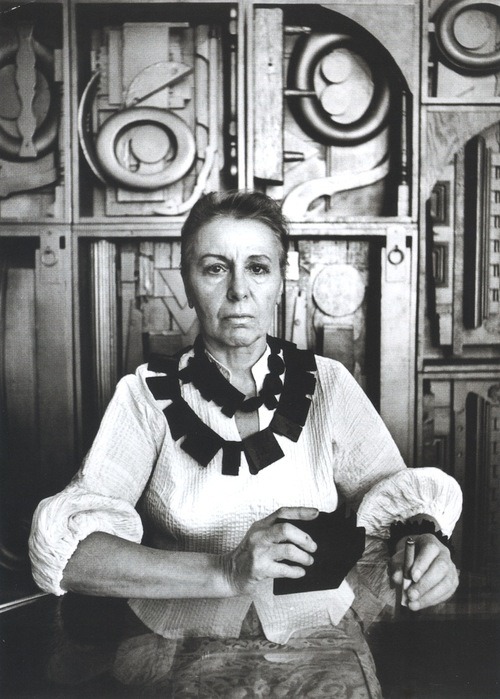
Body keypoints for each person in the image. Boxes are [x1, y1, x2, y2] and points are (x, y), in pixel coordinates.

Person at [29, 190, 461, 695]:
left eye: (257, 268)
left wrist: (425, 546)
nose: (238, 291)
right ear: (187, 282)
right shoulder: (145, 395)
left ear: (281, 281)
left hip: (317, 636)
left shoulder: (329, 384)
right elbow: (74, 557)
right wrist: (226, 571)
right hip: (176, 639)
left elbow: (398, 505)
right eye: (215, 269)